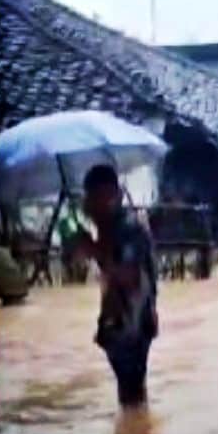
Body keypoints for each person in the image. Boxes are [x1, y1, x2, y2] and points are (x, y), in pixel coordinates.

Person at [77, 166, 158, 407]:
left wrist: (92, 250)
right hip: (122, 321)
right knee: (131, 397)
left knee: (132, 397)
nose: (94, 204)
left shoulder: (129, 228)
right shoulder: (110, 226)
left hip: (132, 323)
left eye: (101, 197)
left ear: (116, 195)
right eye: (91, 198)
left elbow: (129, 276)